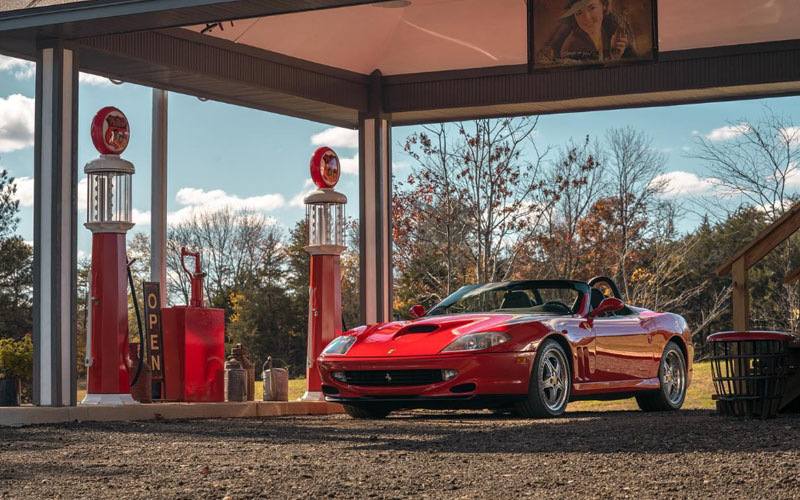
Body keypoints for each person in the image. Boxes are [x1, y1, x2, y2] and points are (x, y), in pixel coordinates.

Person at [538, 0, 637, 65]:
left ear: (604, 6)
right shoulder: (572, 46)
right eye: (579, 13)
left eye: (592, 8)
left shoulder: (612, 29)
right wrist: (613, 58)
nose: (586, 18)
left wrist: (616, 55)